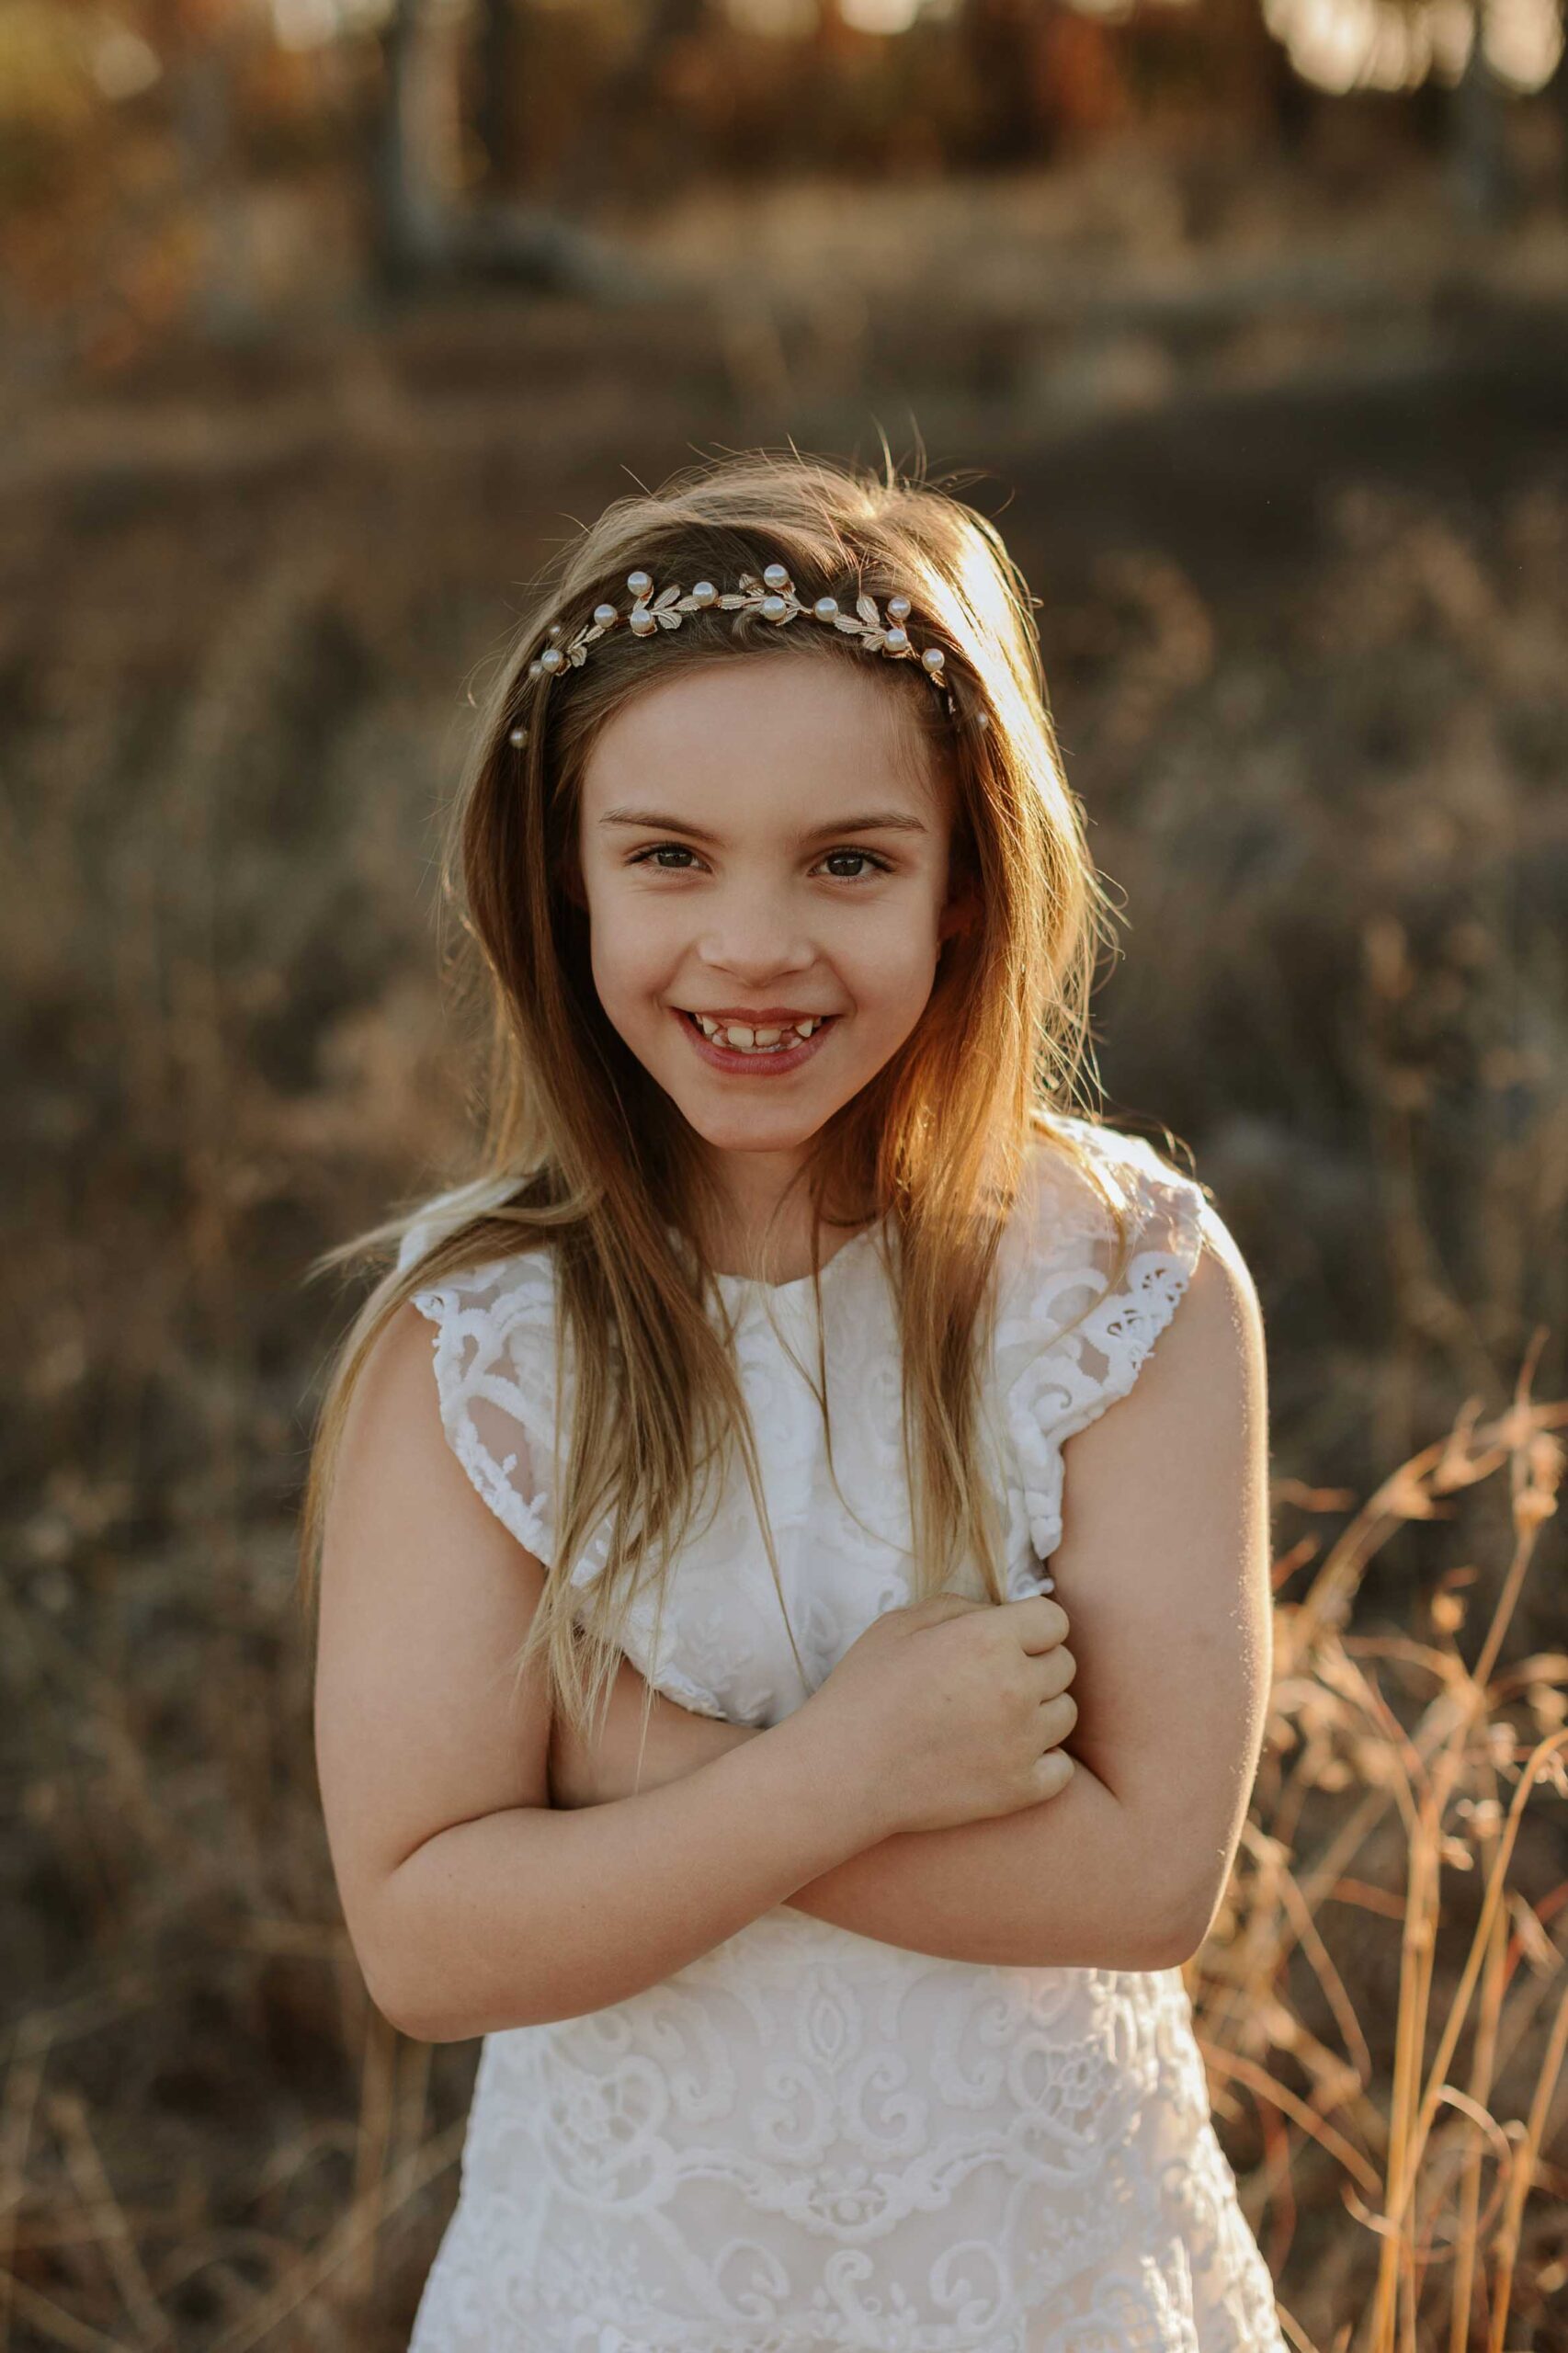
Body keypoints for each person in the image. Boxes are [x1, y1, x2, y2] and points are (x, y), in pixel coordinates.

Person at [301, 448, 1287, 2352]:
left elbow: (1147, 1872)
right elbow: (426, 1934)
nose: (752, 943)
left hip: (1035, 2253)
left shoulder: (1126, 1285)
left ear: (965, 888)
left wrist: (642, 1772)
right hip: (629, 2267)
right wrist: (846, 1764)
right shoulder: (483, 1341)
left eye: (849, 859)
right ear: (561, 874)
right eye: (667, 854)